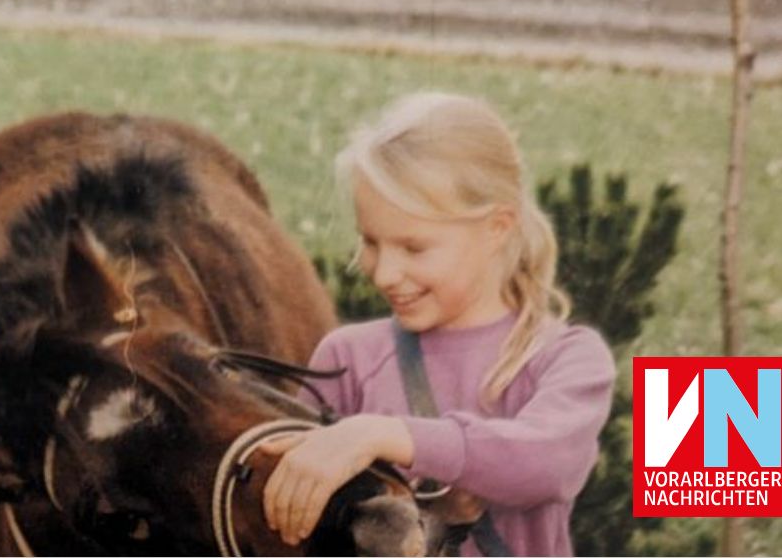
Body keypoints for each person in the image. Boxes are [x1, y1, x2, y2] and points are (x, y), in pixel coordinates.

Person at [260, 92, 617, 556]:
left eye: (414, 248)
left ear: (497, 228)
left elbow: (546, 463)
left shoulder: (564, 356)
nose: (384, 273)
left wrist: (379, 435)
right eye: (370, 242)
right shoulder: (345, 358)